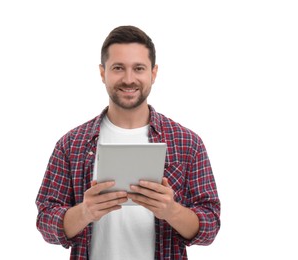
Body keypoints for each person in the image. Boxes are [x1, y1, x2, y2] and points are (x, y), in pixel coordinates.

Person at [36, 25, 220, 260]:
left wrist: (171, 211)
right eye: (118, 68)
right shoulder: (71, 144)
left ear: (153, 73)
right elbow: (45, 220)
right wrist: (84, 212)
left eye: (139, 68)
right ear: (103, 73)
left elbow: (211, 225)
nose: (129, 79)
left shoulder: (188, 143)